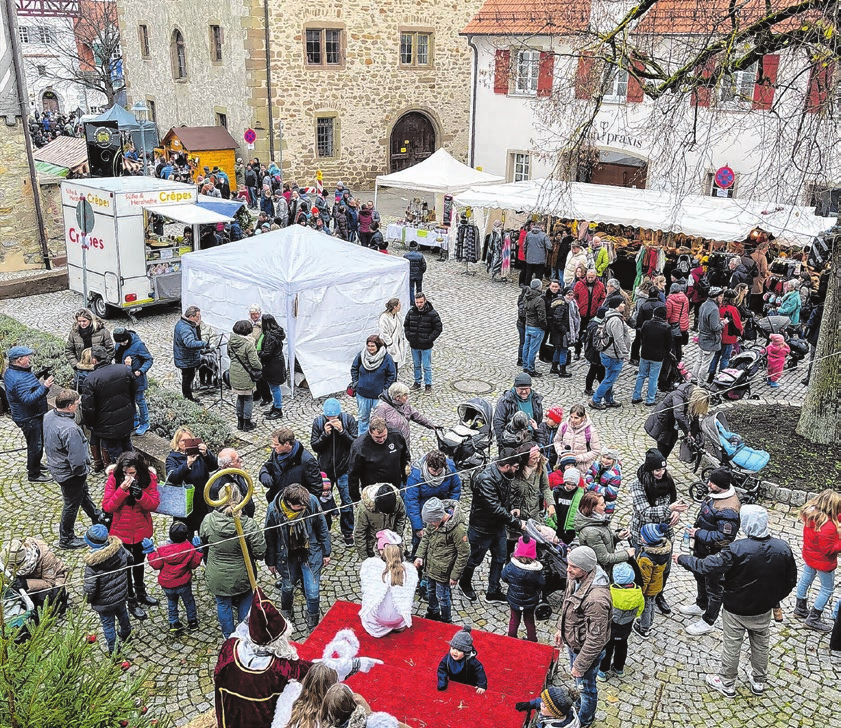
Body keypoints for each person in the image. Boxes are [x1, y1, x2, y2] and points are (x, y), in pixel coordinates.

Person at [674, 505, 797, 698]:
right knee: (761, 644)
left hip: (736, 608)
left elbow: (707, 566)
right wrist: (773, 598)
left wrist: (682, 558)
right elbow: (790, 581)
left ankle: (727, 683)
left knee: (732, 646)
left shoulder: (736, 549)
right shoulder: (783, 548)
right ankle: (758, 681)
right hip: (763, 608)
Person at [676, 468, 741, 636]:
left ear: (721, 485)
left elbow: (724, 537)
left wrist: (698, 533)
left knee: (714, 588)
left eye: (712, 482)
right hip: (703, 548)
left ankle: (708, 621)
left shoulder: (729, 509)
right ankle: (701, 604)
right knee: (699, 575)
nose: (708, 484)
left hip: (715, 554)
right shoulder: (715, 495)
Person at [553, 546, 611, 728]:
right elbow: (567, 603)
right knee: (581, 684)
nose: (568, 569)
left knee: (586, 689)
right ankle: (580, 706)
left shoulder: (596, 599)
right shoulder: (576, 577)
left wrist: (580, 665)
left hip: (585, 652)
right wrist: (560, 629)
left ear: (585, 569)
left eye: (573, 567)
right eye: (568, 564)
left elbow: (596, 639)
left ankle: (585, 720)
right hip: (575, 644)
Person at [200, 481, 266, 639]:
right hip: (243, 574)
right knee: (245, 603)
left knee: (223, 604)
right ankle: (244, 635)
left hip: (217, 574)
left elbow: (203, 541)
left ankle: (228, 636)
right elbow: (260, 551)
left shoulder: (208, 520)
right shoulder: (248, 524)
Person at [459, 448, 525, 603]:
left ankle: (493, 591)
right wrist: (517, 523)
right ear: (507, 466)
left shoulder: (505, 475)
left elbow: (505, 497)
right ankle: (464, 582)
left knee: (500, 558)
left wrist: (512, 507)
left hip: (498, 527)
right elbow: (494, 507)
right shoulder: (486, 479)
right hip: (481, 528)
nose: (517, 470)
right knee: (474, 559)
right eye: (515, 467)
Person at [628, 449, 687, 615]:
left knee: (665, 569)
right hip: (643, 535)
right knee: (642, 569)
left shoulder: (667, 480)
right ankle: (640, 597)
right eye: (657, 470)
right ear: (649, 469)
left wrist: (676, 512)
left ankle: (659, 594)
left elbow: (675, 501)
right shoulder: (637, 484)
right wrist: (669, 509)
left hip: (664, 535)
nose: (661, 473)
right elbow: (644, 512)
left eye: (663, 469)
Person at [102, 451, 160, 620]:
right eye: (125, 472)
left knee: (139, 564)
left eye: (132, 473)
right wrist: (122, 490)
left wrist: (140, 495)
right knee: (126, 568)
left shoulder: (148, 478)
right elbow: (108, 507)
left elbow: (154, 504)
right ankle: (131, 600)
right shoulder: (114, 479)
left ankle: (141, 593)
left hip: (141, 531)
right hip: (121, 533)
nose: (128, 476)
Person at [265, 484, 331, 629]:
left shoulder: (311, 501)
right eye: (300, 507)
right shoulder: (274, 510)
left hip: (310, 551)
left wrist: (326, 552)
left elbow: (322, 526)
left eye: (304, 506)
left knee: (313, 592)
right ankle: (287, 611)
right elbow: (269, 536)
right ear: (289, 503)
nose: (303, 509)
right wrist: (271, 561)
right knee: (288, 587)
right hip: (286, 555)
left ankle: (313, 617)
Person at [43, 388, 101, 548]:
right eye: (77, 403)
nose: (78, 406)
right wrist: (82, 473)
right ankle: (66, 538)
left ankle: (96, 516)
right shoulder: (71, 429)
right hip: (69, 473)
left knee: (81, 494)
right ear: (69, 406)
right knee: (71, 504)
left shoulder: (49, 416)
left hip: (57, 465)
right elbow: (77, 459)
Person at [311, 399, 359, 547]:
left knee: (347, 501)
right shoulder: (318, 422)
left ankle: (348, 531)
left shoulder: (348, 420)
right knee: (324, 501)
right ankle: (325, 530)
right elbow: (315, 446)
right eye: (328, 418)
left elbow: (355, 443)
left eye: (334, 417)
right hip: (325, 470)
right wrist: (325, 435)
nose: (331, 420)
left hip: (344, 468)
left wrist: (342, 431)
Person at [415, 496, 470, 624]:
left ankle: (446, 620)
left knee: (443, 597)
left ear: (439, 518)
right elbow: (426, 538)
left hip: (444, 572)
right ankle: (433, 611)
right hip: (431, 567)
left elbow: (464, 553)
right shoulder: (433, 523)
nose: (430, 525)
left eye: (432, 522)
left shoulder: (458, 529)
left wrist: (455, 576)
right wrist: (420, 556)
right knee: (431, 591)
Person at [4, 345, 54, 483]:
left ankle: (34, 464)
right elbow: (27, 400)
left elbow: (27, 386)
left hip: (29, 415)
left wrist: (39, 374)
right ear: (19, 360)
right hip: (29, 417)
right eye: (27, 356)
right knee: (35, 445)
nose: (29, 358)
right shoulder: (17, 379)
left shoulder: (14, 371)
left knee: (35, 443)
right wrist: (45, 387)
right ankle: (34, 474)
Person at [793, 490, 841, 631]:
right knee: (827, 589)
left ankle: (800, 608)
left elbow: (835, 517)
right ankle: (813, 619)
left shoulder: (812, 515)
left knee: (805, 580)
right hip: (823, 562)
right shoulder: (828, 527)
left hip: (810, 556)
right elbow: (828, 550)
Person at [83, 524, 132, 655]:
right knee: (123, 614)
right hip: (121, 594)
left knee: (108, 625)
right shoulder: (119, 549)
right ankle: (126, 633)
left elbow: (89, 589)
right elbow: (130, 558)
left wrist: (87, 599)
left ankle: (114, 650)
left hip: (104, 602)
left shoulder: (92, 564)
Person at [144, 521, 203, 633]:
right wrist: (198, 551)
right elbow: (194, 564)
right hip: (184, 583)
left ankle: (173, 623)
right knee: (189, 602)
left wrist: (151, 552)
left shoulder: (163, 551)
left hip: (168, 585)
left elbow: (156, 565)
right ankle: (192, 622)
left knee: (172, 602)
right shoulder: (189, 549)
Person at [360, 530, 418, 637]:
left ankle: (380, 627)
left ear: (382, 551)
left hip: (380, 618)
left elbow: (367, 593)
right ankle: (397, 625)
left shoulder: (372, 567)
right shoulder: (410, 571)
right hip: (398, 618)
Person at [405, 450, 462, 558]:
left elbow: (455, 489)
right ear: (427, 465)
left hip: (442, 512)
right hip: (423, 514)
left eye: (439, 471)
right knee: (419, 542)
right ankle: (415, 558)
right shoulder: (416, 474)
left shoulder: (450, 469)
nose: (436, 474)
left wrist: (450, 510)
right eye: (433, 470)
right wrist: (418, 527)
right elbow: (412, 501)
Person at [165, 427, 219, 539]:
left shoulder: (199, 454)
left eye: (189, 440)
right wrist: (187, 464)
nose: (186, 443)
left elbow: (214, 466)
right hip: (184, 503)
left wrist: (207, 454)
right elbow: (172, 478)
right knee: (186, 536)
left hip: (202, 500)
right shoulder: (172, 458)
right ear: (177, 443)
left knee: (205, 533)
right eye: (182, 441)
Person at [597, 562, 643, 681]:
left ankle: (602, 671)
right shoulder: (638, 592)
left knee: (607, 648)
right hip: (626, 626)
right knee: (622, 646)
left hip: (611, 626)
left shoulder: (611, 592)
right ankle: (619, 668)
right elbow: (640, 610)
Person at [347, 417, 410, 502]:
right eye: (378, 437)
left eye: (384, 436)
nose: (382, 439)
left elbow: (405, 457)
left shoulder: (396, 436)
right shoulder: (359, 446)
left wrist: (406, 479)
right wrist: (356, 499)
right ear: (370, 432)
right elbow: (353, 474)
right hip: (373, 493)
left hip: (397, 486)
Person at [574, 491, 634, 579]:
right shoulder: (591, 532)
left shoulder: (598, 520)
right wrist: (627, 554)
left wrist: (617, 536)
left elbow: (603, 541)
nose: (605, 506)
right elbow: (604, 559)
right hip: (600, 574)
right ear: (593, 508)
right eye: (602, 504)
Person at [644, 382, 709, 458]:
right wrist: (687, 431)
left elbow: (695, 417)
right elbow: (679, 414)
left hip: (671, 424)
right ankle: (657, 463)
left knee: (668, 447)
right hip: (663, 422)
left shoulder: (691, 398)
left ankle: (660, 463)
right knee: (663, 449)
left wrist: (693, 434)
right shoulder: (679, 395)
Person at [259, 428, 323, 504]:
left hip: (294, 505)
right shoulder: (277, 452)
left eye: (276, 444)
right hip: (277, 499)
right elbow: (269, 464)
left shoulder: (307, 461)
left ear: (286, 444)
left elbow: (316, 487)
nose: (273, 446)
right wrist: (263, 473)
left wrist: (301, 505)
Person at [5, 536, 68, 614]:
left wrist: (26, 583)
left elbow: (49, 583)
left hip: (53, 578)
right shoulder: (12, 552)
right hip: (31, 577)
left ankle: (57, 604)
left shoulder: (47, 557)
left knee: (45, 596)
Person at [371, 381, 437, 453]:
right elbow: (376, 427)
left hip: (405, 443)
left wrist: (431, 425)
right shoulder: (382, 408)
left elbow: (415, 415)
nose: (407, 397)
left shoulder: (404, 404)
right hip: (390, 445)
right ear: (397, 397)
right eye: (405, 395)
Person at [501, 535, 545, 642]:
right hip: (530, 601)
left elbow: (503, 576)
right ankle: (532, 639)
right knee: (529, 620)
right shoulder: (536, 571)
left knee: (514, 619)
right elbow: (542, 583)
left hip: (514, 599)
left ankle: (511, 638)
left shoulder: (511, 566)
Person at [350, 335, 397, 436]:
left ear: (378, 346)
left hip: (378, 396)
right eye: (368, 346)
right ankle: (362, 439)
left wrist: (385, 388)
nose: (370, 348)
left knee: (380, 420)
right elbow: (354, 368)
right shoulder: (361, 355)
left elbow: (392, 374)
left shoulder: (386, 358)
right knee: (363, 419)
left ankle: (378, 438)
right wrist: (356, 382)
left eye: (372, 346)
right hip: (362, 394)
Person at [590, 298, 630, 411]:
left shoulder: (609, 316)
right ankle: (596, 399)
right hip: (614, 355)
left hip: (608, 353)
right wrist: (625, 353)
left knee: (609, 378)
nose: (624, 305)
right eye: (622, 303)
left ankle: (609, 399)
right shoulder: (616, 320)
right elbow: (618, 339)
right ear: (617, 305)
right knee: (609, 379)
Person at [112, 327, 154, 436]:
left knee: (140, 400)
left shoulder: (138, 345)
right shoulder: (118, 345)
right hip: (125, 378)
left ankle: (145, 423)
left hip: (137, 379)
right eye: (120, 343)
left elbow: (149, 359)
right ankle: (134, 420)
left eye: (124, 342)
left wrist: (140, 371)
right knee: (129, 400)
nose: (122, 344)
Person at [634, 522, 671, 638]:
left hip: (648, 588)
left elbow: (644, 578)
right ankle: (649, 623)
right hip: (657, 584)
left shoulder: (646, 558)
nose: (641, 537)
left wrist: (641, 591)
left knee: (646, 607)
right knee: (651, 604)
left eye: (643, 536)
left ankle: (644, 629)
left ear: (648, 540)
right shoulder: (663, 551)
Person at [353, 483, 407, 559]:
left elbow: (401, 516)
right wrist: (365, 558)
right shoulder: (364, 509)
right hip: (372, 547)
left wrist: (397, 537)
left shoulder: (397, 500)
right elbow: (360, 533)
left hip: (392, 545)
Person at [631, 306, 672, 406]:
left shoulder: (646, 324)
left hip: (645, 353)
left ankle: (636, 396)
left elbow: (641, 337)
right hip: (657, 356)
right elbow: (669, 344)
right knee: (653, 377)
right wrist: (664, 353)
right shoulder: (666, 328)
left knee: (641, 375)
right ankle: (650, 399)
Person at [227, 319, 262, 432]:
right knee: (248, 398)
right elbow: (254, 362)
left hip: (234, 372)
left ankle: (239, 422)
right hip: (246, 375)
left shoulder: (231, 342)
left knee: (240, 397)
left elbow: (229, 355)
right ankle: (247, 423)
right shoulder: (248, 344)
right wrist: (260, 367)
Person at [404, 292, 442, 392]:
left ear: (425, 301)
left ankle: (428, 384)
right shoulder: (411, 312)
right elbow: (406, 325)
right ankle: (417, 382)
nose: (419, 304)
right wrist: (409, 337)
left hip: (426, 346)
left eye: (421, 302)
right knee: (416, 365)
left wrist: (429, 339)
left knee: (426, 366)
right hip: (414, 344)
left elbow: (438, 328)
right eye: (417, 302)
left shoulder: (432, 314)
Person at [64, 308, 114, 386]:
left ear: (90, 320)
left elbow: (110, 349)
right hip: (82, 368)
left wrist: (105, 363)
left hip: (99, 367)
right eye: (79, 321)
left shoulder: (102, 331)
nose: (81, 324)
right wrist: (76, 365)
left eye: (84, 321)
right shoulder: (74, 333)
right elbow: (69, 350)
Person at [493, 372, 544, 445]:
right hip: (512, 441)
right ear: (515, 387)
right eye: (521, 389)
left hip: (531, 440)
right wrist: (502, 443)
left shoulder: (536, 400)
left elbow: (539, 420)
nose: (524, 391)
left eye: (526, 389)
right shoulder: (505, 401)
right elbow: (498, 422)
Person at [173, 305, 209, 402]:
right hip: (186, 359)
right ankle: (188, 399)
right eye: (197, 316)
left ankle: (188, 397)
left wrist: (197, 326)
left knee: (188, 378)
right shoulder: (185, 328)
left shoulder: (185, 323)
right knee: (187, 379)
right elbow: (190, 343)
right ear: (191, 317)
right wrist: (204, 344)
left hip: (187, 357)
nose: (199, 318)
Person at [437, 626, 487, 693]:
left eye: (459, 650)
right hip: (454, 683)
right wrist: (442, 682)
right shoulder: (447, 658)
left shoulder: (471, 661)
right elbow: (441, 669)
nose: (455, 652)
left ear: (466, 652)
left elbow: (479, 671)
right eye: (453, 648)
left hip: (469, 684)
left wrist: (481, 685)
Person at [256, 313, 286, 420]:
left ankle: (278, 409)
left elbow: (267, 353)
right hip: (276, 363)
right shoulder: (276, 333)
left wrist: (259, 353)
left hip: (273, 365)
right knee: (274, 387)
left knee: (275, 388)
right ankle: (275, 406)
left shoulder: (270, 336)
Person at [553, 403, 601, 470]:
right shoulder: (564, 426)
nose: (573, 420)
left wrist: (578, 458)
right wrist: (561, 452)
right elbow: (557, 441)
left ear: (583, 418)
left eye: (576, 418)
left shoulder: (590, 431)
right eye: (571, 417)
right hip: (563, 465)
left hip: (581, 467)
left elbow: (596, 451)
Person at [573, 269, 606, 360]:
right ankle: (577, 351)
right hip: (581, 314)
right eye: (589, 277)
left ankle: (589, 353)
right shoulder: (579, 284)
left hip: (593, 314)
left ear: (595, 276)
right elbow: (575, 296)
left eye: (592, 277)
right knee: (579, 333)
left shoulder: (600, 285)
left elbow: (603, 297)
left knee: (591, 334)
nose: (590, 279)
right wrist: (578, 306)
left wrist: (598, 307)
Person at [695, 287, 725, 383]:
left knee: (699, 360)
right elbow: (715, 327)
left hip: (702, 337)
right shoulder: (714, 309)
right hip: (710, 340)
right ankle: (701, 382)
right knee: (705, 363)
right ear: (716, 297)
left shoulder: (704, 304)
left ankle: (694, 378)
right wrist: (723, 323)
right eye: (721, 296)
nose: (722, 298)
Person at [709, 289, 742, 376]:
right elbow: (737, 324)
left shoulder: (718, 307)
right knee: (725, 358)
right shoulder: (733, 309)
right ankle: (722, 375)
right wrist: (741, 333)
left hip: (718, 336)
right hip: (728, 337)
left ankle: (711, 375)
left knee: (715, 356)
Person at [515, 686, 581, 728]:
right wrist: (530, 704)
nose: (541, 704)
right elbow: (547, 702)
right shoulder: (565, 708)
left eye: (545, 706)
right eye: (543, 700)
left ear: (554, 712)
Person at [585, 447, 622, 520]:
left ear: (614, 460)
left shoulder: (615, 475)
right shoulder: (596, 464)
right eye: (603, 457)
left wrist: (592, 486)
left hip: (604, 507)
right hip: (592, 501)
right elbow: (589, 473)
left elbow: (610, 493)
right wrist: (589, 480)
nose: (605, 460)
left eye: (609, 459)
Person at [521, 279, 547, 376]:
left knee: (526, 347)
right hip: (536, 327)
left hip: (528, 325)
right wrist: (544, 326)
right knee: (533, 349)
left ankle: (525, 365)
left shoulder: (526, 296)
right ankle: (531, 368)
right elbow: (541, 316)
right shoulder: (539, 300)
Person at [378, 298, 408, 372]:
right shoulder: (384, 317)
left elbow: (401, 328)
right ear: (395, 307)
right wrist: (390, 344)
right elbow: (383, 332)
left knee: (395, 365)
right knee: (389, 366)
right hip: (389, 346)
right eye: (399, 305)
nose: (400, 306)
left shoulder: (398, 315)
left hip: (397, 344)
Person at [582, 308, 606, 396]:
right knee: (594, 369)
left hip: (593, 351)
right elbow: (595, 341)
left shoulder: (593, 322)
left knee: (599, 370)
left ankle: (603, 388)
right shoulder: (596, 325)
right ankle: (589, 388)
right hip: (594, 352)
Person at [665, 283, 690, 360]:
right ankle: (679, 360)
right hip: (684, 324)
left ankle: (674, 361)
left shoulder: (669, 300)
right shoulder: (685, 298)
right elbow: (687, 311)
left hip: (674, 325)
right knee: (679, 344)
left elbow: (668, 315)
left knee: (673, 345)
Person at [749, 241, 771, 313]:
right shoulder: (763, 257)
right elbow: (763, 270)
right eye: (766, 249)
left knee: (751, 295)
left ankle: (750, 310)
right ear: (763, 249)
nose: (767, 251)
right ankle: (755, 312)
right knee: (757, 296)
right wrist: (766, 276)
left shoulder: (752, 255)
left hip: (750, 278)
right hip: (758, 279)